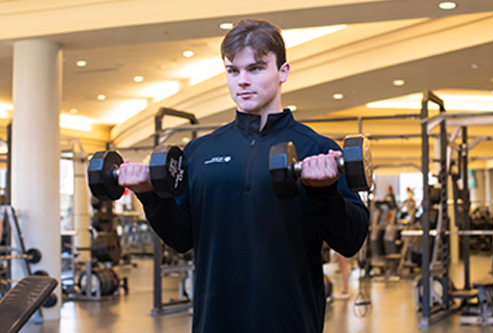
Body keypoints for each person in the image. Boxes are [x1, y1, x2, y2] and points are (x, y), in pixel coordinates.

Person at [119, 19, 369, 333]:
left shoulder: (317, 149)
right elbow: (180, 238)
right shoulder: (198, 152)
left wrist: (324, 191)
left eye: (255, 69)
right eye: (232, 71)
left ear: (283, 72)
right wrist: (149, 194)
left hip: (290, 321)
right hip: (215, 322)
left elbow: (351, 240)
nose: (242, 82)